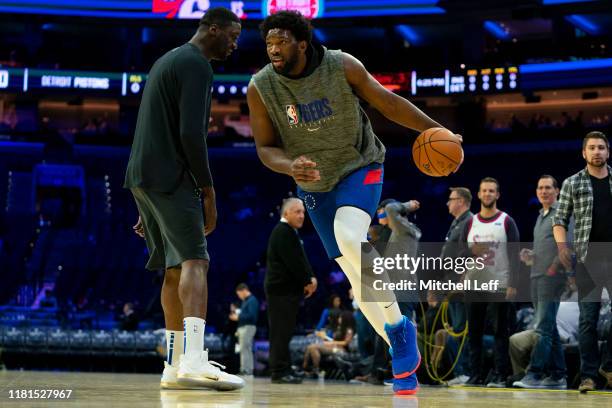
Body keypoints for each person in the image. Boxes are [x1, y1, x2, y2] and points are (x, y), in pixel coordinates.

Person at [247, 12, 461, 394]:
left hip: (359, 166)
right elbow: (264, 148)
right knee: (358, 277)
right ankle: (404, 370)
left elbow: (388, 103)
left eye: (280, 41)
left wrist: (434, 129)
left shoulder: (341, 65)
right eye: (268, 43)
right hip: (313, 184)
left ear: (301, 41)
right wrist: (289, 165)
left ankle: (398, 328)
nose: (273, 49)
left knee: (350, 236)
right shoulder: (261, 86)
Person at [123, 7, 243, 391]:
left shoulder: (167, 59)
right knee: (195, 261)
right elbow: (192, 135)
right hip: (171, 176)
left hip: (145, 174)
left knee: (173, 269)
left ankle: (174, 366)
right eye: (232, 35)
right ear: (213, 29)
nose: (235, 43)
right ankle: (194, 359)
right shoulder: (196, 64)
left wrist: (147, 195)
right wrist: (208, 190)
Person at [553, 131, 612, 393]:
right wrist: (562, 246)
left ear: (607, 152)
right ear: (584, 153)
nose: (597, 151)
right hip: (589, 259)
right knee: (588, 319)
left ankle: (607, 366)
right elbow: (559, 220)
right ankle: (589, 376)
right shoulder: (572, 182)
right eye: (592, 148)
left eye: (601, 147)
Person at [459, 177, 520, 387]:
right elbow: (459, 254)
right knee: (474, 332)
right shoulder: (470, 222)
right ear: (478, 194)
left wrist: (513, 283)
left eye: (491, 191)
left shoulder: (506, 221)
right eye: (484, 190)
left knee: (500, 332)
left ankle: (501, 375)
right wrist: (469, 252)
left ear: (497, 195)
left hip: (499, 283)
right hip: (474, 284)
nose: (487, 194)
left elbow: (514, 255)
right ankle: (475, 375)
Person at [513, 175, 569, 389]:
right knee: (549, 326)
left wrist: (553, 268)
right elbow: (547, 247)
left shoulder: (562, 214)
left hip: (551, 278)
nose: (544, 191)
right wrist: (532, 256)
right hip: (536, 276)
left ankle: (534, 373)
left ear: (556, 191)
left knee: (542, 328)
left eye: (548, 188)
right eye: (540, 188)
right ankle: (558, 375)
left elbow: (566, 245)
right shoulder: (541, 216)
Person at [265, 197, 317, 384]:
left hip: (286, 291)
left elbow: (299, 259)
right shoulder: (283, 232)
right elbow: (294, 261)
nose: (302, 215)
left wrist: (310, 278)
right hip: (281, 291)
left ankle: (285, 368)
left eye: (303, 212)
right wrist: (308, 279)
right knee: (280, 332)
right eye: (297, 211)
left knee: (285, 332)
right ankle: (279, 371)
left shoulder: (289, 232)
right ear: (286, 213)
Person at [441, 187, 473, 385]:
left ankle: (466, 372)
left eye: (451, 199)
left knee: (461, 329)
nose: (448, 203)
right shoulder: (457, 223)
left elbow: (472, 253)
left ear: (461, 201)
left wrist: (463, 279)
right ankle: (461, 372)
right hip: (450, 284)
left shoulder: (469, 222)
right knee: (455, 329)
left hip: (461, 285)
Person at [303, 311, 356, 378]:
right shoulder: (339, 328)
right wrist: (325, 338)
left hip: (340, 349)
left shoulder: (349, 330)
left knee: (313, 347)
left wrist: (331, 343)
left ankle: (310, 369)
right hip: (333, 347)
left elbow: (345, 343)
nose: (339, 319)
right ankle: (309, 368)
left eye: (340, 317)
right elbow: (333, 340)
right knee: (311, 347)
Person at [230, 283, 259, 376]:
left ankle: (246, 370)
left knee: (245, 348)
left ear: (244, 291)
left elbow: (252, 316)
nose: (239, 296)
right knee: (245, 349)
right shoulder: (246, 301)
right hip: (244, 327)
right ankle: (247, 369)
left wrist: (238, 317)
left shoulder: (252, 300)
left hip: (248, 327)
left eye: (239, 294)